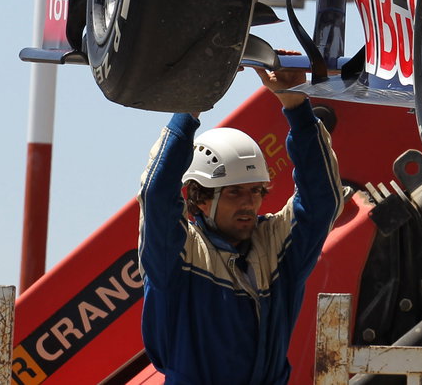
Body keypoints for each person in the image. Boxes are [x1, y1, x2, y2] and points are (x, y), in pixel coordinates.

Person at [137, 63, 344, 385]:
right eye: (234, 192)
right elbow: (157, 194)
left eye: (256, 191)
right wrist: (191, 104)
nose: (249, 203)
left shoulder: (274, 247)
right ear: (200, 198)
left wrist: (296, 105)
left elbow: (322, 202)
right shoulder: (178, 257)